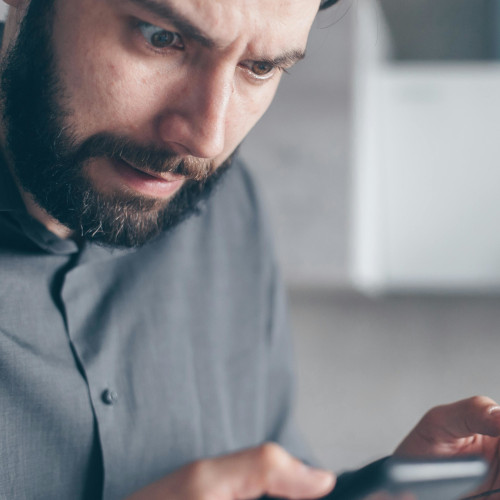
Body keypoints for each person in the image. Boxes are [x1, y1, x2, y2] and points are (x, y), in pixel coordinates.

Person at [1, 0, 500, 499]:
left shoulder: (226, 209)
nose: (205, 137)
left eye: (259, 67)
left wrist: (381, 493)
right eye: (159, 37)